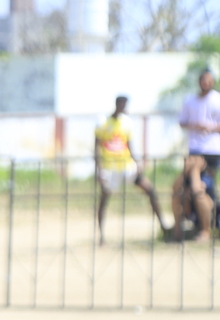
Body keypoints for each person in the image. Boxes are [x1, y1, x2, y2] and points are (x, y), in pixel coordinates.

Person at [94, 95, 168, 245]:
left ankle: (163, 226)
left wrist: (137, 163)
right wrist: (99, 169)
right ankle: (101, 236)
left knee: (150, 189)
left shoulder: (127, 123)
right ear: (117, 104)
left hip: (127, 165)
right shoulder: (103, 122)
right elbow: (96, 147)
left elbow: (129, 145)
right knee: (104, 200)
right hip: (109, 168)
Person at [173, 70, 220, 242]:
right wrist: (195, 125)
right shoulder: (190, 100)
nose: (206, 83)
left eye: (209, 80)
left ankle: (206, 229)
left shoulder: (217, 99)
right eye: (203, 80)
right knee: (182, 189)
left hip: (212, 152)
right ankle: (181, 229)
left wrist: (210, 127)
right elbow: (182, 122)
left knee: (201, 189)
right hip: (194, 150)